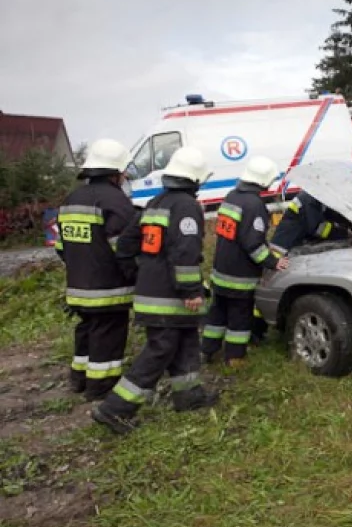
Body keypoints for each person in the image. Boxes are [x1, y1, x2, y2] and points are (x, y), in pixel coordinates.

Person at [92, 147, 218, 435]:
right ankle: (115, 409)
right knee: (159, 351)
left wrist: (142, 272)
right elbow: (185, 253)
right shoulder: (186, 207)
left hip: (151, 292)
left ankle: (189, 396)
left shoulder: (154, 203)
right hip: (170, 298)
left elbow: (125, 245)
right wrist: (190, 291)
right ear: (195, 179)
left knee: (185, 341)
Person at [55, 139, 137, 402]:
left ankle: (78, 378)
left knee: (86, 330)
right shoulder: (116, 202)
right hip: (108, 288)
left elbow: (60, 246)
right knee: (108, 334)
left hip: (78, 285)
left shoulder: (71, 199)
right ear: (116, 172)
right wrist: (137, 276)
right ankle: (100, 387)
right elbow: (123, 248)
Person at [201, 157, 289, 367]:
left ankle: (207, 350)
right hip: (239, 277)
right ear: (264, 181)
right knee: (239, 320)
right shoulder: (255, 205)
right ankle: (234, 358)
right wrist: (273, 262)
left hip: (220, 270)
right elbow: (253, 245)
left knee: (217, 314)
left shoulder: (231, 197)